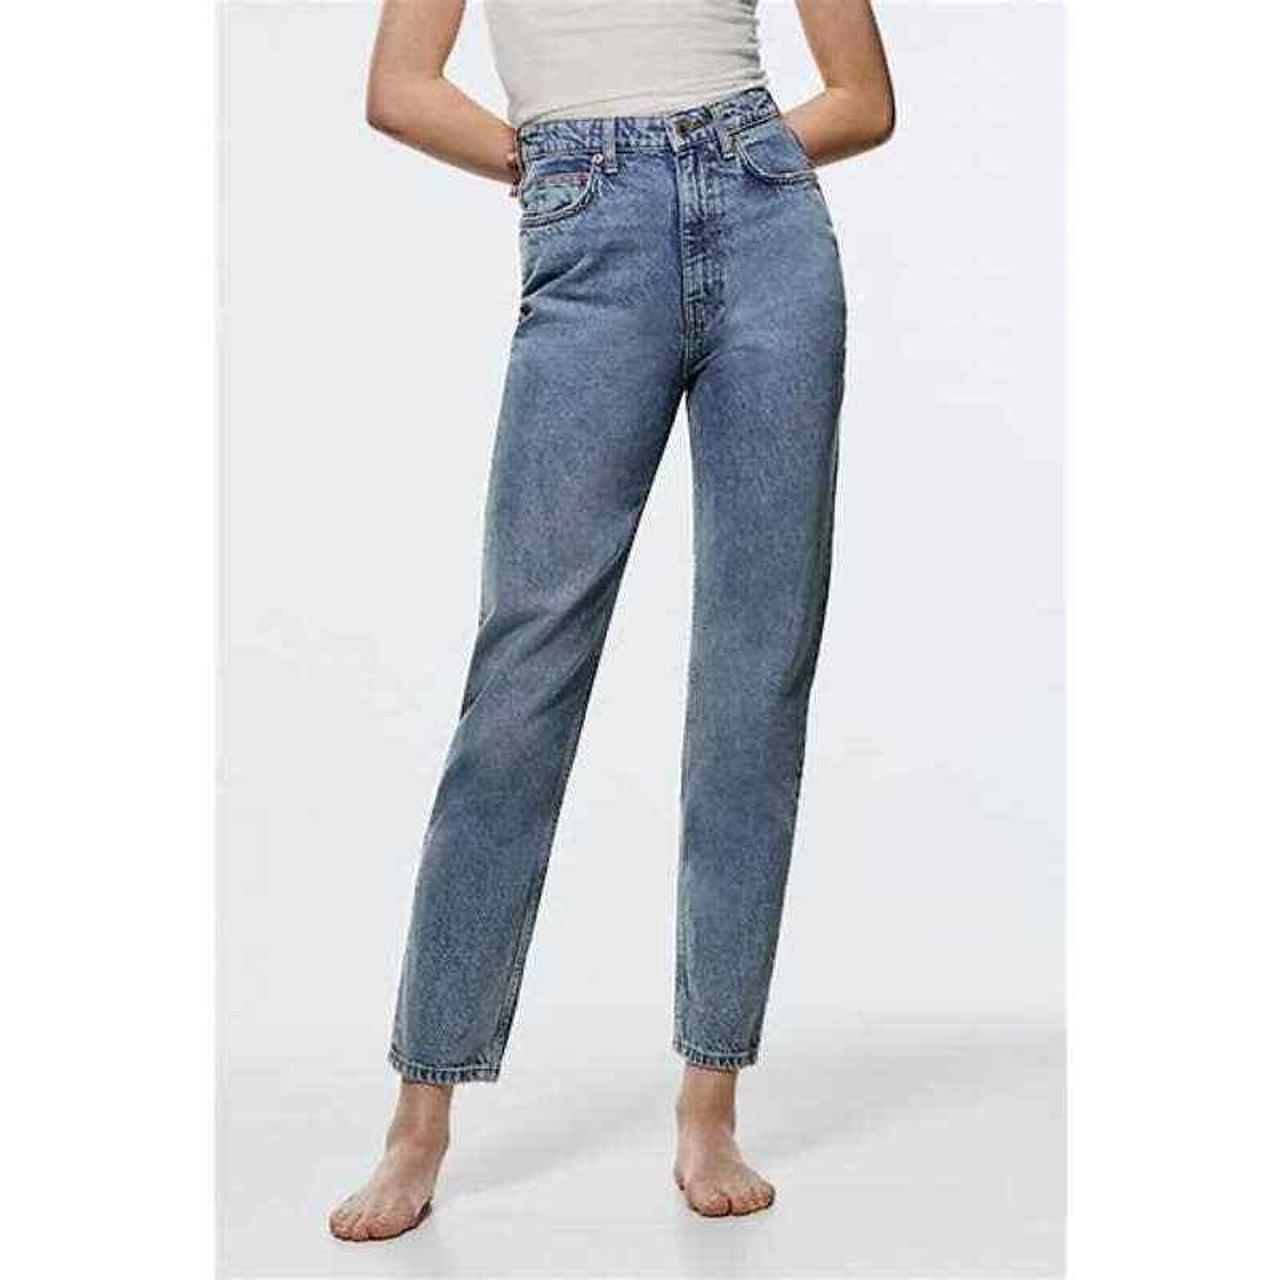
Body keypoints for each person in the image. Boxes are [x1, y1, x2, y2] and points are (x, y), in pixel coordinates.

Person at [329, 0, 894, 1241]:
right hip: (587, 227)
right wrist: (559, 166)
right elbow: (399, 86)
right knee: (523, 675)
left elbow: (862, 99)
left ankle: (709, 1099)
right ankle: (419, 1116)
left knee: (755, 667)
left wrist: (732, 157)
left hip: (768, 228)